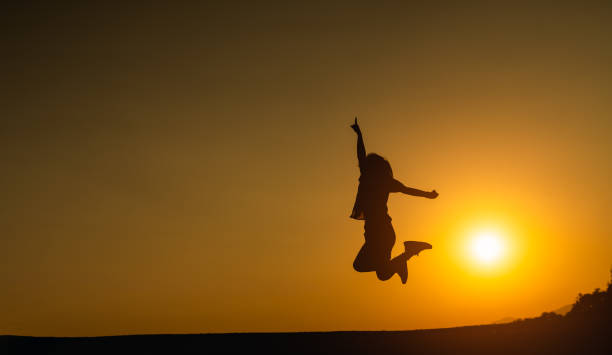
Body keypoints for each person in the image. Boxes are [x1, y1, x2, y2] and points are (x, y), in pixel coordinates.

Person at [350, 117, 438, 284]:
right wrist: (359, 135)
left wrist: (427, 194)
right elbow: (361, 155)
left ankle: (408, 253)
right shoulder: (371, 177)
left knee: (373, 270)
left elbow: (408, 190)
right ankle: (406, 255)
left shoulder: (381, 181)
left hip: (381, 233)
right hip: (376, 233)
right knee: (378, 271)